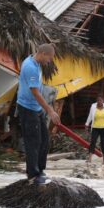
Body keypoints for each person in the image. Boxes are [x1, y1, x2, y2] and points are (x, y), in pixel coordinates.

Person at [17, 43, 61, 185]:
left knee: (44, 139)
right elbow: (35, 92)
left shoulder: (36, 64)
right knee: (33, 141)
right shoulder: (30, 67)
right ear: (42, 54)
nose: (50, 61)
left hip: (36, 108)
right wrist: (50, 110)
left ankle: (40, 170)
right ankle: (33, 175)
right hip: (27, 108)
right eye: (49, 58)